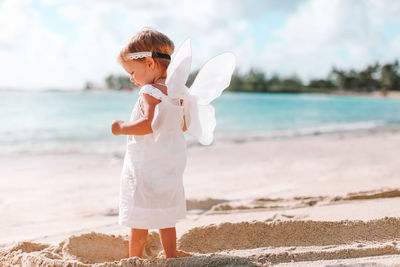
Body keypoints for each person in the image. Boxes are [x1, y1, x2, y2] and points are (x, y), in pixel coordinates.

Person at [111, 28, 235, 259]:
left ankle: (134, 258)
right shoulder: (178, 93)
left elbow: (148, 125)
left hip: (145, 165)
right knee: (165, 215)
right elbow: (184, 125)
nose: (131, 78)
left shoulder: (149, 91)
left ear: (149, 63)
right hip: (169, 163)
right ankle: (171, 254)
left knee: (139, 217)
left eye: (132, 71)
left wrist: (121, 128)